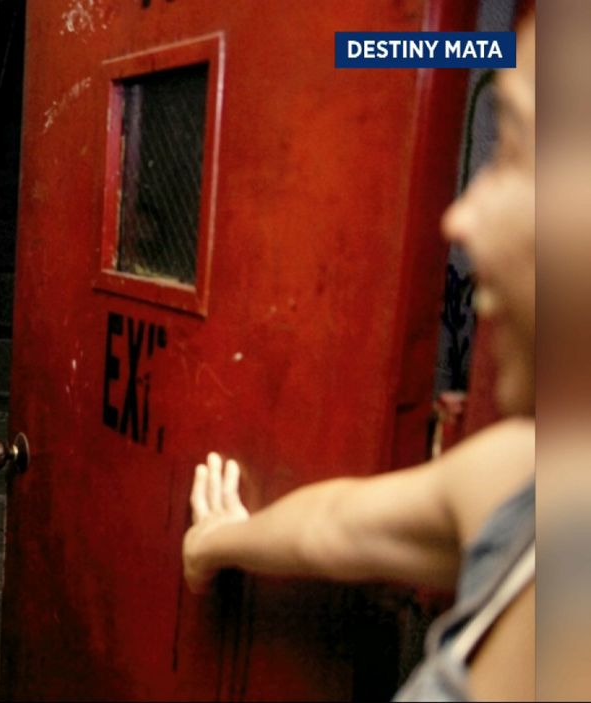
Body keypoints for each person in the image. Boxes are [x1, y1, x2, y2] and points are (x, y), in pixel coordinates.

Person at [181, 14, 536, 702]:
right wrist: (217, 542)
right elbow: (335, 525)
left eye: (518, 152)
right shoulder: (527, 478)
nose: (458, 219)